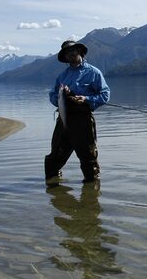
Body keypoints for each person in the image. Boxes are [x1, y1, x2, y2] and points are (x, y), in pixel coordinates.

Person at [44, 40, 110, 185]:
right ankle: (53, 186)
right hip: (63, 119)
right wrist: (61, 96)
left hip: (83, 120)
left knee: (88, 157)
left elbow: (105, 95)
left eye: (73, 50)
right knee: (55, 156)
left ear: (79, 51)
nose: (70, 53)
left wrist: (85, 98)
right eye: (67, 52)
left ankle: (91, 193)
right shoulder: (62, 76)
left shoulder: (93, 72)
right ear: (65, 57)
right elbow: (52, 95)